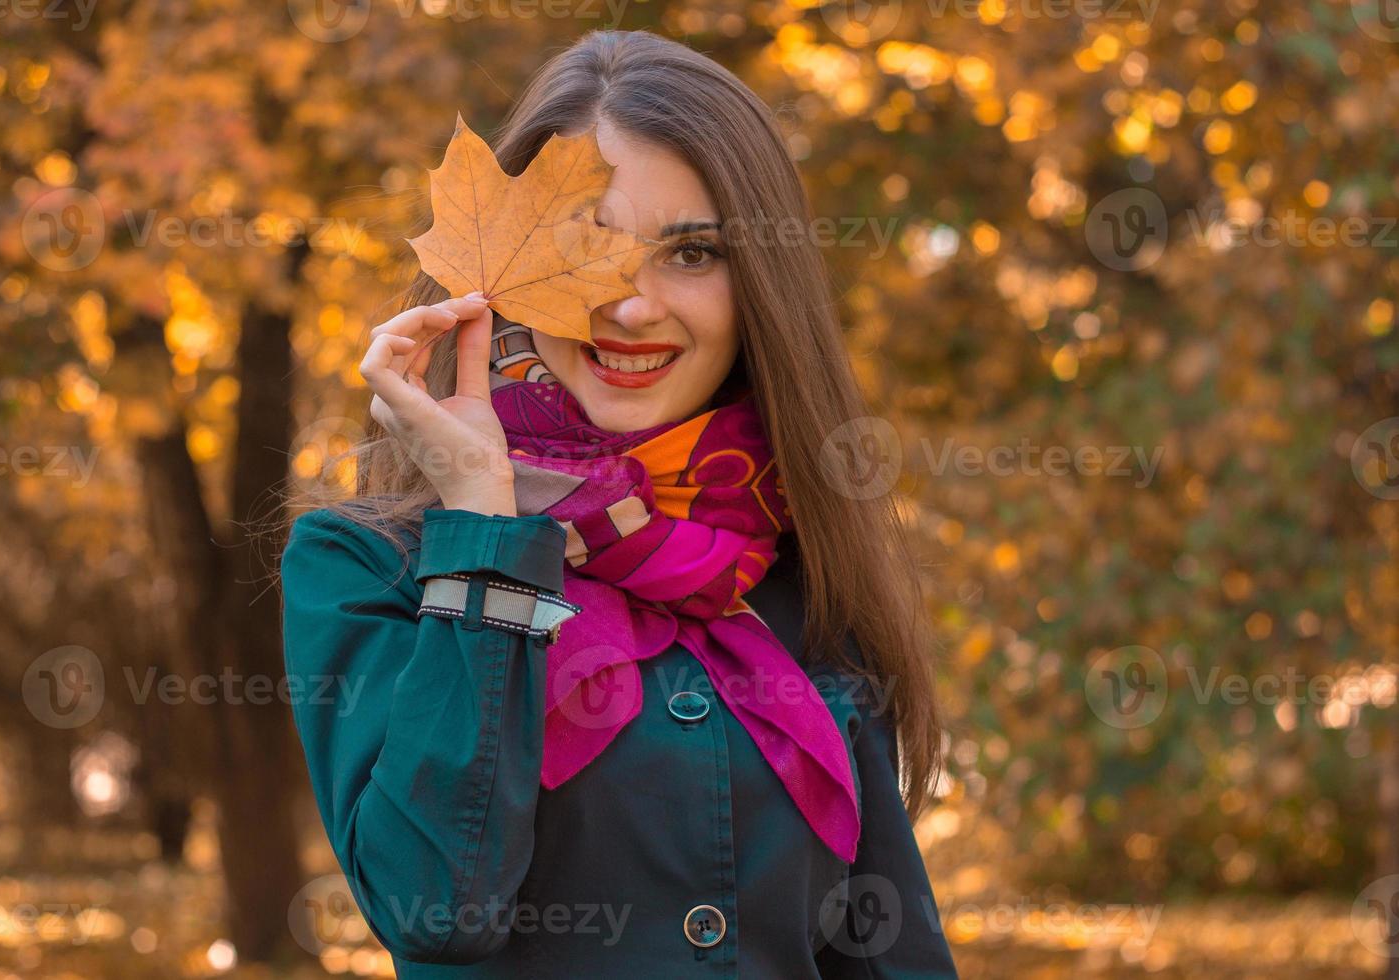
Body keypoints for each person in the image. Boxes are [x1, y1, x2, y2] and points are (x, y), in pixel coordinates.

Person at [280, 28, 958, 979]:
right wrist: (484, 523)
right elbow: (434, 908)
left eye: (690, 252)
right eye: (586, 248)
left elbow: (890, 949)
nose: (632, 307)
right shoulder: (366, 567)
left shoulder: (805, 553)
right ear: (500, 277)